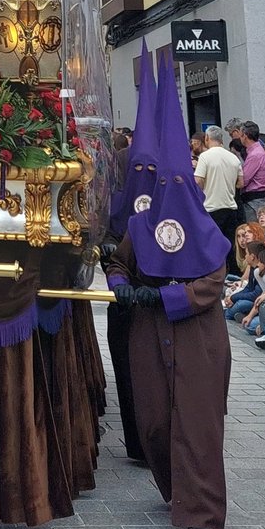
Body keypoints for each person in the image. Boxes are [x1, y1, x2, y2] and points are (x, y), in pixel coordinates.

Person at [105, 57, 230, 529]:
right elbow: (118, 265)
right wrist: (122, 289)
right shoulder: (140, 228)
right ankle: (175, 489)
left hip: (196, 337)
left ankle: (201, 512)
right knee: (156, 421)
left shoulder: (207, 232)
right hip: (148, 336)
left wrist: (165, 295)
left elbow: (213, 283)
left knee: (197, 425)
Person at [103, 40, 159, 465]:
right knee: (126, 368)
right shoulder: (118, 194)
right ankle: (136, 444)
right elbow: (108, 241)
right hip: (127, 303)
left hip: (164, 303)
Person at [194, 125, 243, 275]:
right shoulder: (233, 157)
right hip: (230, 207)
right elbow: (241, 183)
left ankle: (213, 275)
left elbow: (198, 181)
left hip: (210, 208)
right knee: (230, 246)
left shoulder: (205, 156)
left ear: (207, 138)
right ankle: (233, 275)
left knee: (211, 246)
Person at [239, 120, 265, 221]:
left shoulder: (255, 154)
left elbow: (244, 180)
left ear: (244, 135)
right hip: (256, 199)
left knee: (254, 232)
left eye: (240, 135)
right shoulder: (256, 151)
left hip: (254, 201)